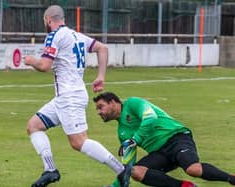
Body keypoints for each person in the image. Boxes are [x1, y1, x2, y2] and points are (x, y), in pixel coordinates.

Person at [24, 5, 131, 187]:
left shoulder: (54, 35)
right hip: (65, 96)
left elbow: (44, 65)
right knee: (34, 126)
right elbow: (102, 48)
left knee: (78, 142)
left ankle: (121, 170)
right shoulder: (77, 35)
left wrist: (30, 60)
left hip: (69, 97)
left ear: (48, 19)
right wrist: (100, 76)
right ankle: (50, 170)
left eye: (45, 21)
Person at [93, 92, 235, 187]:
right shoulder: (122, 132)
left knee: (193, 169)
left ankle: (231, 178)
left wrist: (135, 139)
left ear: (112, 102)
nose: (99, 112)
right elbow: (128, 166)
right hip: (160, 153)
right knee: (136, 171)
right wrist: (117, 185)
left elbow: (150, 117)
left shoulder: (132, 103)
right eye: (97, 109)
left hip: (176, 138)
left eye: (101, 107)